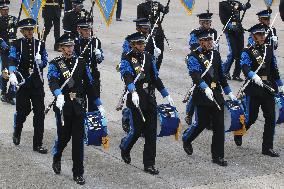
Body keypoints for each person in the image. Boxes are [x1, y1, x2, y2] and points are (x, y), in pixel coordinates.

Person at [48, 33, 105, 185]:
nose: (70, 49)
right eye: (67, 46)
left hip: (79, 106)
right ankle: (57, 155)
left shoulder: (81, 62)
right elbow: (52, 80)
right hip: (64, 106)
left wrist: (98, 103)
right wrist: (58, 94)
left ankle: (78, 173)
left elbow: (88, 84)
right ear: (61, 48)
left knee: (78, 141)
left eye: (71, 46)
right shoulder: (55, 63)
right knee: (64, 138)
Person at [119, 32, 174, 175]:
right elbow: (127, 77)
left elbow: (155, 77)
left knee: (151, 133)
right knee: (136, 131)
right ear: (132, 45)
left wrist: (165, 93)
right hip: (136, 99)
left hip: (149, 98)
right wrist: (133, 92)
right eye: (138, 44)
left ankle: (149, 164)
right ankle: (125, 147)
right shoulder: (127, 58)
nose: (142, 46)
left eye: (143, 43)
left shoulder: (148, 57)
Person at [183, 29, 237, 166]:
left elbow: (221, 76)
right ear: (200, 42)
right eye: (206, 40)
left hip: (216, 94)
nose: (210, 42)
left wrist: (229, 92)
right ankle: (187, 138)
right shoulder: (193, 56)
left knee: (219, 125)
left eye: (210, 40)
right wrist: (205, 87)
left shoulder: (215, 54)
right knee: (201, 124)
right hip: (202, 94)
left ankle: (218, 156)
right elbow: (195, 75)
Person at [234, 24, 284, 157]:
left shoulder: (269, 49)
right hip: (254, 88)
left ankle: (267, 147)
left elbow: (273, 68)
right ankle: (239, 132)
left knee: (271, 118)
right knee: (251, 117)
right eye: (259, 35)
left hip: (268, 87)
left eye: (263, 34)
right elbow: (244, 66)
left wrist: (280, 84)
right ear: (253, 36)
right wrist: (252, 75)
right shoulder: (247, 51)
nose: (262, 37)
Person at [8, 18, 48, 154]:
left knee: (39, 114)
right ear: (22, 31)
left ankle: (38, 143)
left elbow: (45, 60)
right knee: (22, 112)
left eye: (32, 29)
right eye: (27, 30)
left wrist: (40, 61)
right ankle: (17, 131)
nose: (30, 32)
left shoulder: (40, 44)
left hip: (37, 84)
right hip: (23, 83)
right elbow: (12, 58)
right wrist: (12, 73)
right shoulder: (16, 44)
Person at [74, 17, 104, 112]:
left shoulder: (95, 41)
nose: (88, 32)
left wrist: (99, 56)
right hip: (80, 77)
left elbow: (99, 61)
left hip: (93, 76)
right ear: (79, 29)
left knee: (94, 105)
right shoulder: (74, 42)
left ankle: (93, 126)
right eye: (85, 30)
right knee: (80, 105)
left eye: (89, 29)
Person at [219, 0, 251, 81]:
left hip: (239, 30)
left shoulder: (236, 3)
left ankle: (236, 75)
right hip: (230, 31)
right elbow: (223, 19)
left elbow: (242, 7)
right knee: (233, 52)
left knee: (240, 53)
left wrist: (246, 6)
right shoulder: (223, 4)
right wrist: (231, 26)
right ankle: (225, 71)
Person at [137, 0, 169, 70]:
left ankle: (156, 71)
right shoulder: (141, 7)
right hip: (148, 34)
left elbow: (164, 10)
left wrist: (166, 8)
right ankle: (148, 71)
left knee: (159, 54)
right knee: (148, 54)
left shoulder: (156, 4)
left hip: (158, 33)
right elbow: (139, 22)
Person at [0, 0, 17, 104]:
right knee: (5, 71)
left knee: (13, 70)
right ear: (0, 11)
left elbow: (20, 28)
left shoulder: (13, 19)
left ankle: (11, 93)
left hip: (13, 49)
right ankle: (3, 91)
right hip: (4, 50)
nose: (5, 12)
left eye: (7, 10)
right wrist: (1, 42)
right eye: (3, 10)